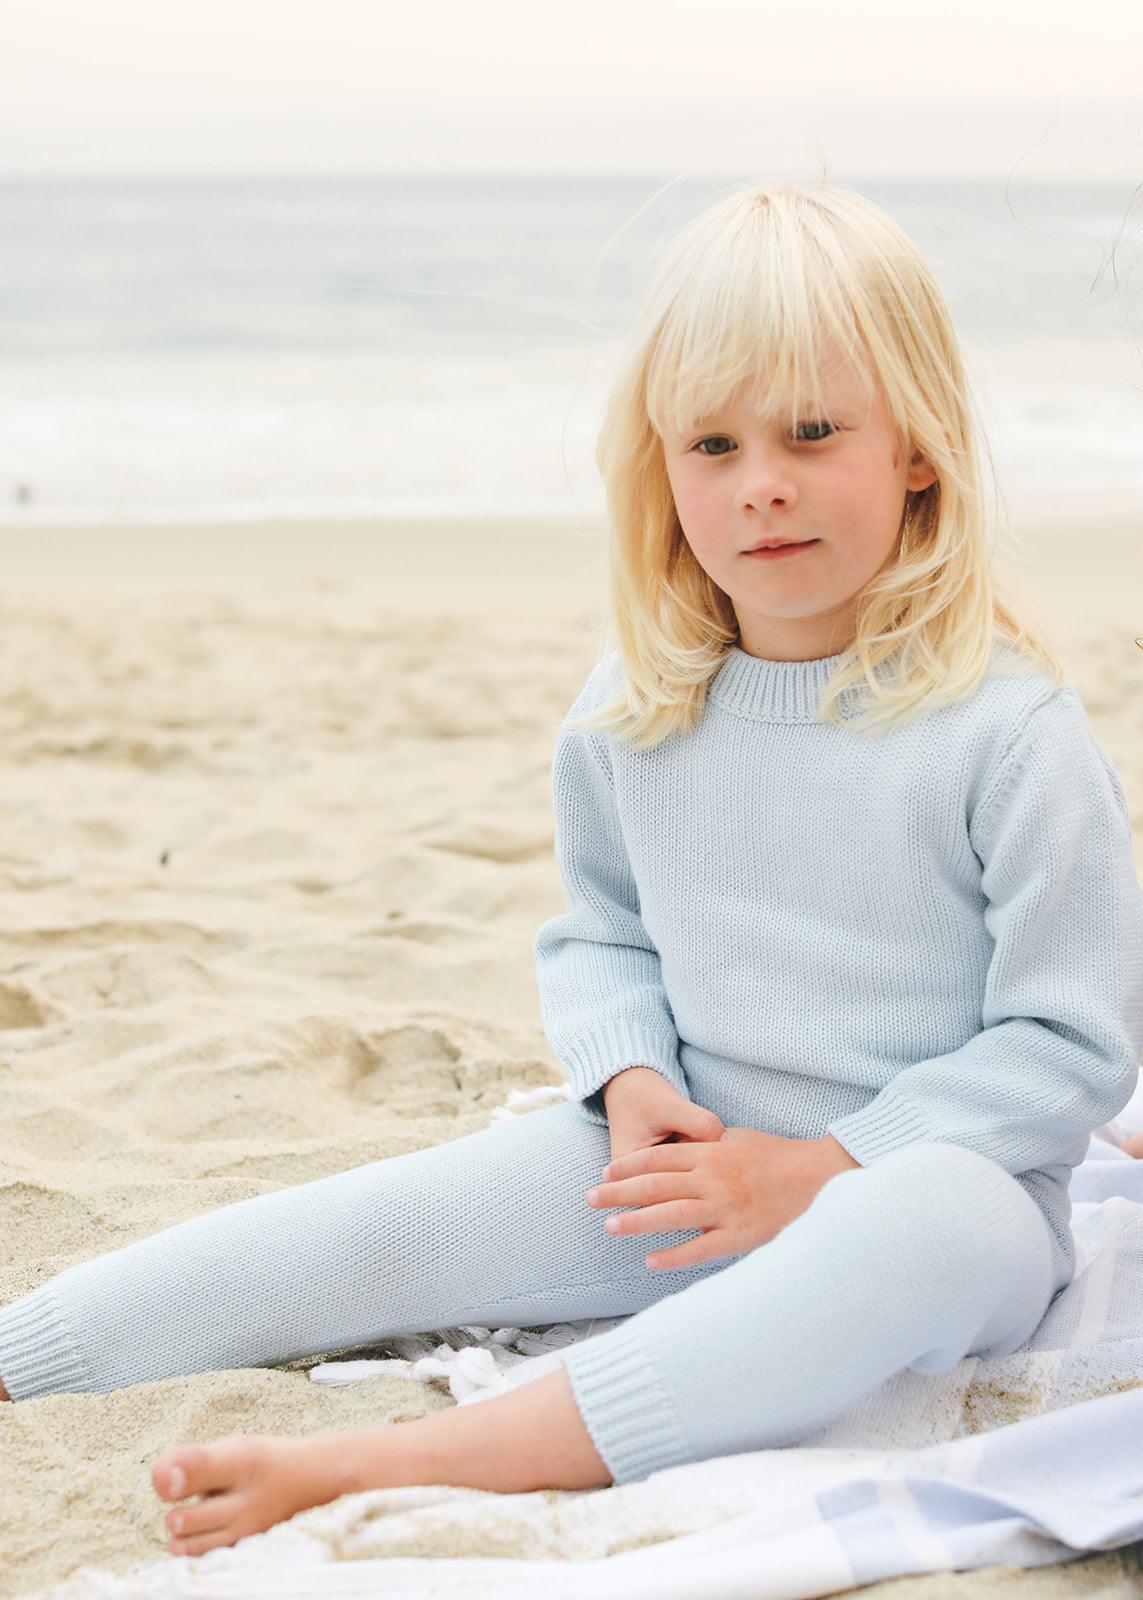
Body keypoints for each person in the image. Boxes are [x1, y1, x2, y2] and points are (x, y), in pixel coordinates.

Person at [2, 178, 1142, 1564]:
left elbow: (1069, 1042)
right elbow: (603, 938)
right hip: (681, 1161)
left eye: (812, 432)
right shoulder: (637, 711)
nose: (760, 482)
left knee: (921, 1228)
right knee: (388, 1227)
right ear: (658, 470)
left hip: (943, 1192)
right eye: (711, 444)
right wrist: (631, 1079)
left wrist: (827, 1166)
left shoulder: (1005, 729)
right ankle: (28, 1353)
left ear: (919, 449)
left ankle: (416, 1459)